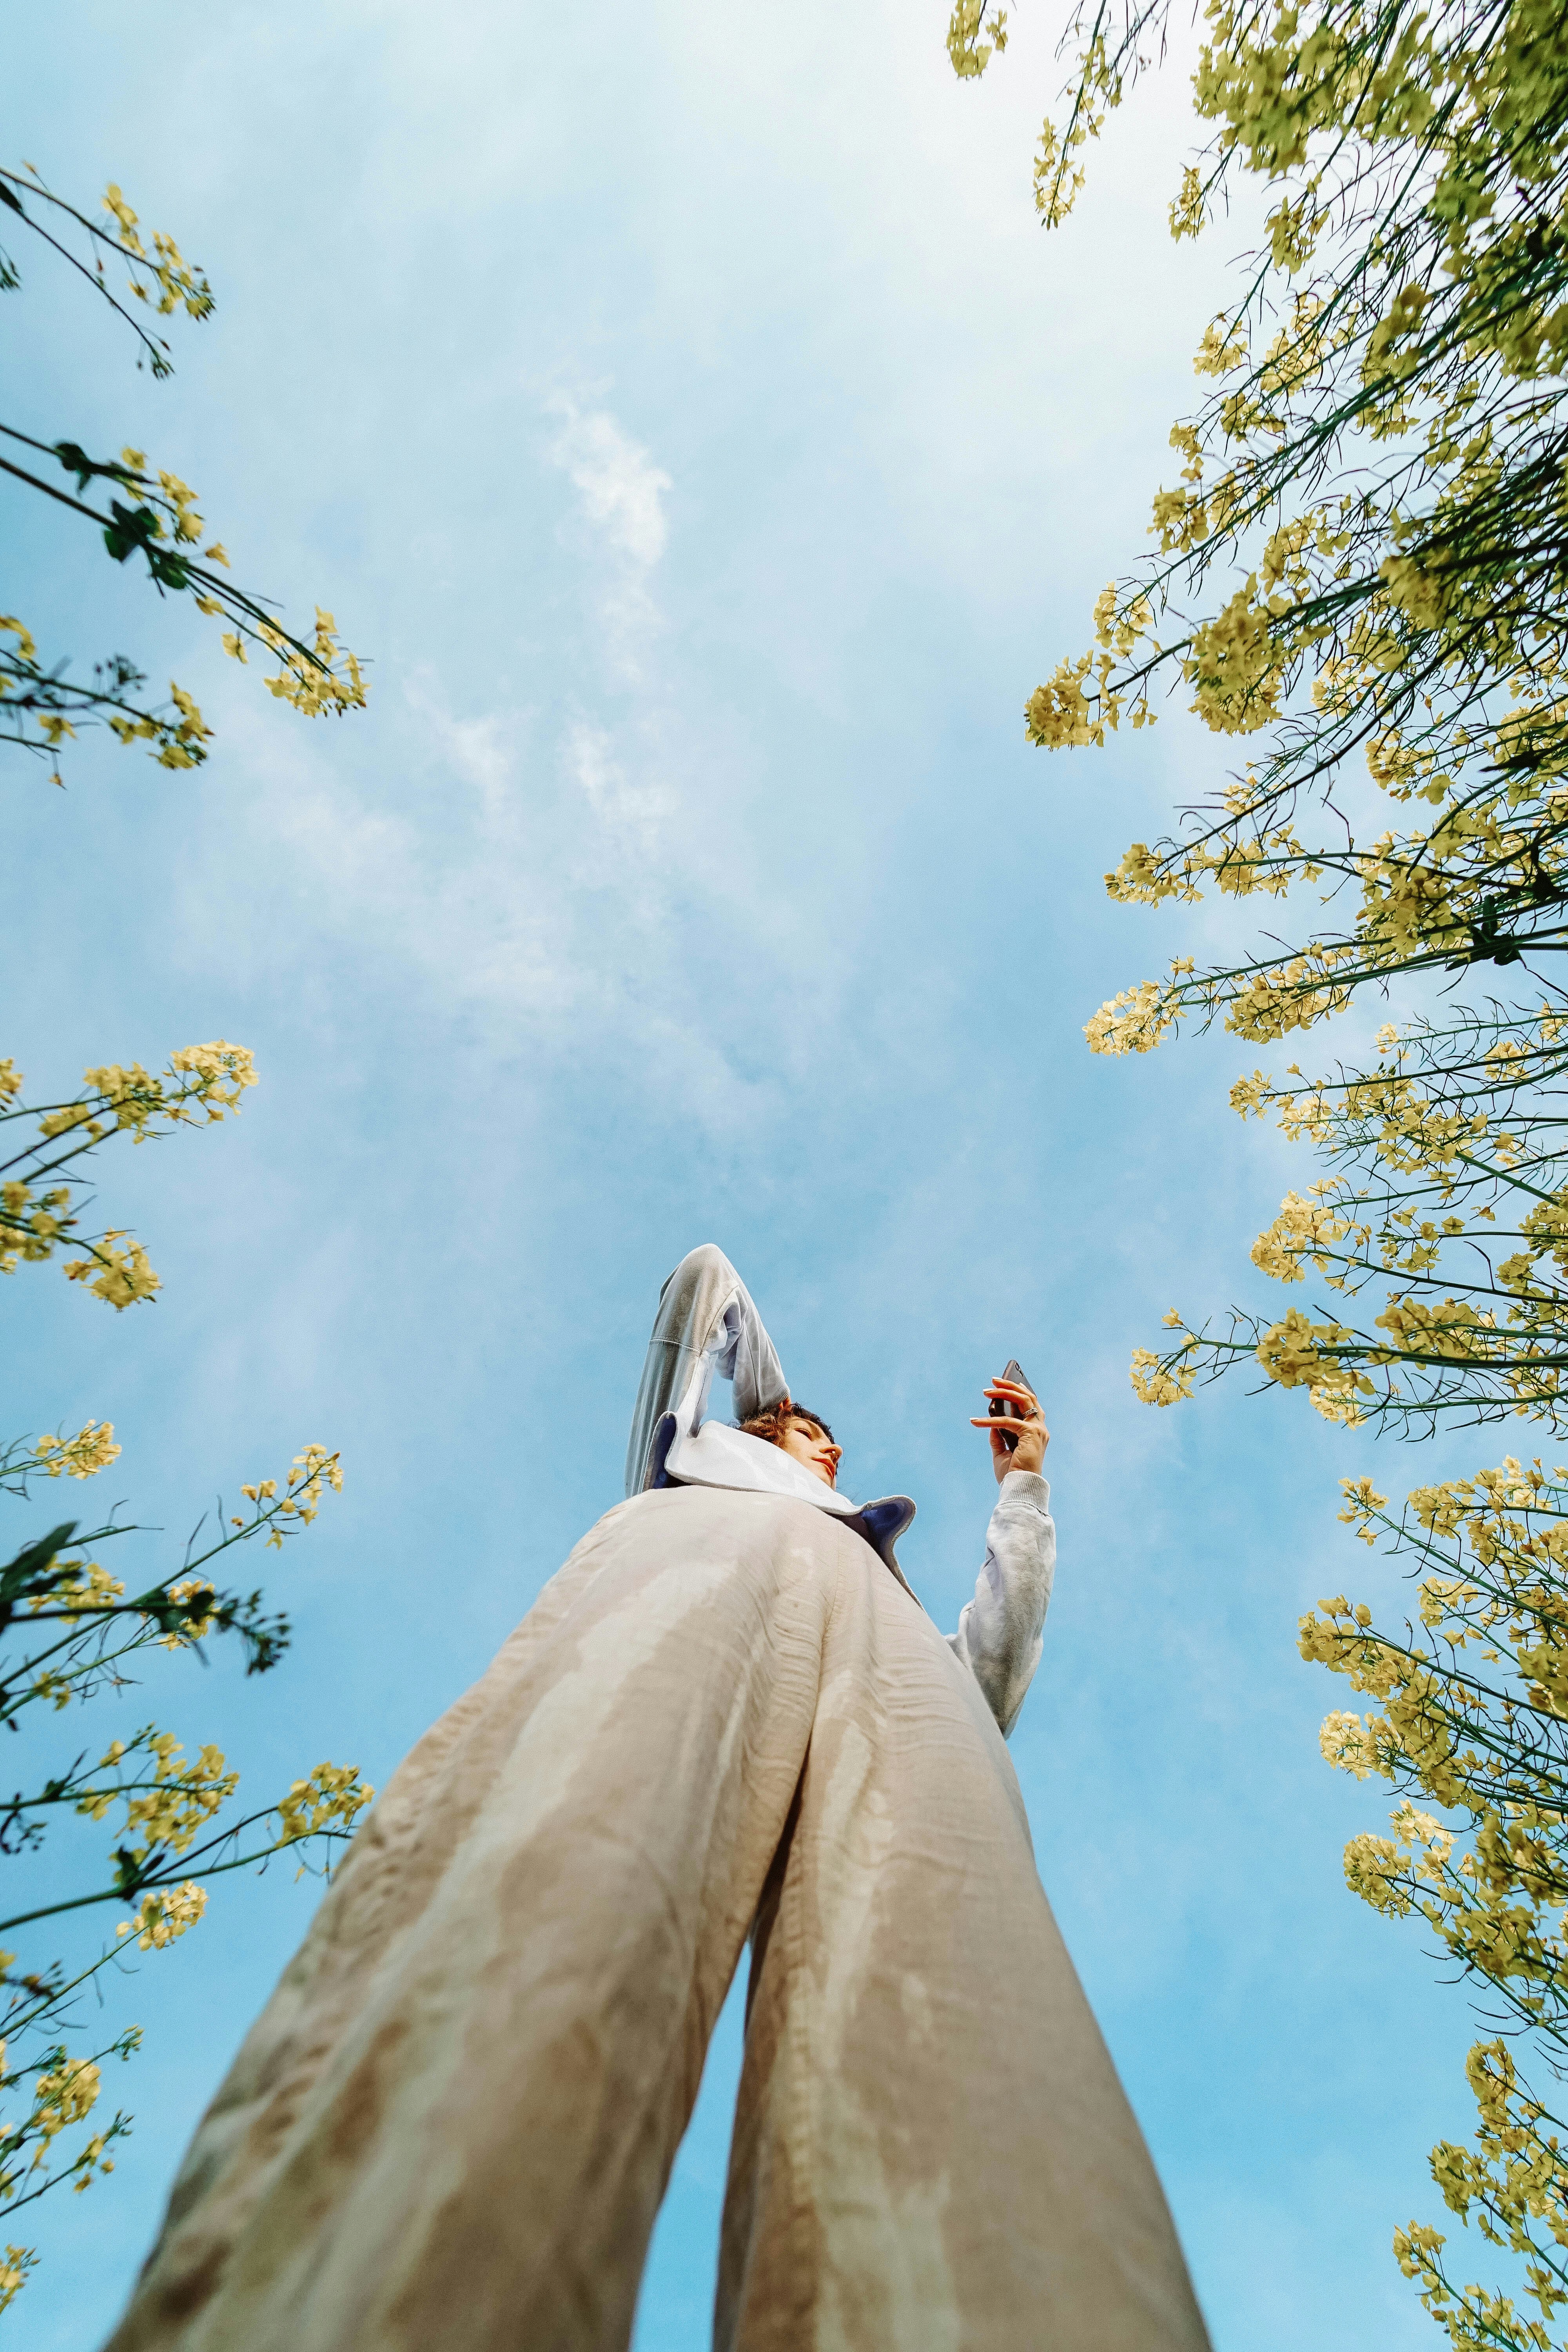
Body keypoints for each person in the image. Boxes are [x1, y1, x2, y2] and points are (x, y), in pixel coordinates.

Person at [103, 1245, 1210, 2352]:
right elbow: (704, 1283)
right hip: (704, 1551)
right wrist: (772, 1405)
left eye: (829, 1437)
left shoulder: (887, 1563)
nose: (830, 1441)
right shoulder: (686, 1454)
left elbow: (997, 1667)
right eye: (814, 1432)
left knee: (946, 1915)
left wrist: (1026, 1486)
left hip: (881, 1638)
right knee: (581, 1847)